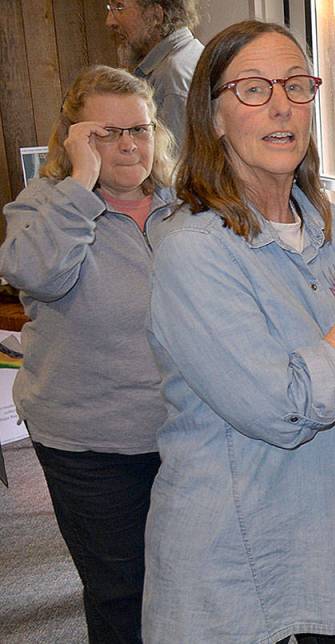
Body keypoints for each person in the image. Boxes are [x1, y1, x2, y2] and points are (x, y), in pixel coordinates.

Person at [142, 21, 335, 643]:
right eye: (254, 89)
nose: (282, 106)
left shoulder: (329, 224)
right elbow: (286, 409)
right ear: (214, 116)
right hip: (243, 571)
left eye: (296, 86)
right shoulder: (193, 250)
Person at [0, 65, 176, 644]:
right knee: (120, 591)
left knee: (186, 583)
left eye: (140, 129)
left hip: (183, 433)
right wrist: (81, 183)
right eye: (107, 133)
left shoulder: (184, 207)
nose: (129, 144)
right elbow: (35, 274)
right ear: (74, 138)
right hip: (91, 443)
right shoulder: (47, 204)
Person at [106, 0, 204, 148]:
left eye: (119, 7)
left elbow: (173, 166)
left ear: (156, 15)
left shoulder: (172, 76)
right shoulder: (191, 54)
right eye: (110, 8)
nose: (109, 21)